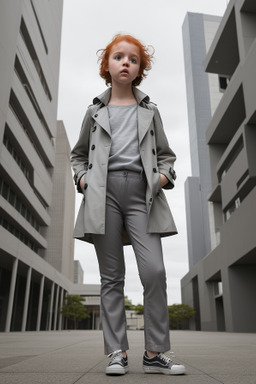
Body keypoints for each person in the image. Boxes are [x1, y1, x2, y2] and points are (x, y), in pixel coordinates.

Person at [70, 34, 186, 376]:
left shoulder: (150, 110)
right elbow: (78, 155)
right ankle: (117, 352)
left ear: (139, 70)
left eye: (133, 59)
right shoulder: (94, 111)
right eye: (118, 57)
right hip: (101, 193)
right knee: (112, 277)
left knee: (155, 272)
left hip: (142, 194)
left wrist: (161, 178)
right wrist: (82, 179)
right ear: (107, 65)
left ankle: (154, 353)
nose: (125, 63)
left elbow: (167, 156)